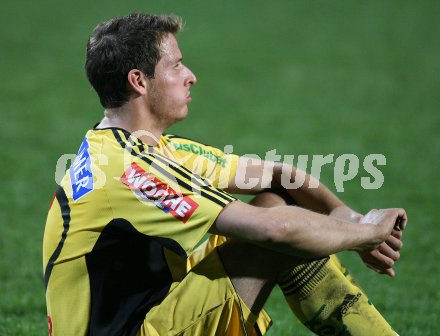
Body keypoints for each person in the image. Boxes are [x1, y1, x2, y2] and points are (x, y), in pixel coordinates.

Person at [43, 13, 407, 336]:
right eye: (176, 66)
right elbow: (273, 230)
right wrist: (367, 233)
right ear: (139, 80)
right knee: (276, 236)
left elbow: (279, 177)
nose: (191, 76)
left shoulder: (135, 147)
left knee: (278, 205)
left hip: (142, 317)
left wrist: (348, 216)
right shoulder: (129, 170)